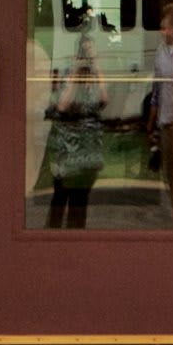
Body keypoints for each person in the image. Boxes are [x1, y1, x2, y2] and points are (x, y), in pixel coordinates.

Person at [42, 36, 109, 227]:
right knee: (60, 197)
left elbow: (104, 100)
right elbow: (62, 106)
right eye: (84, 53)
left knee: (80, 202)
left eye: (90, 53)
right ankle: (51, 237)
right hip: (67, 151)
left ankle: (76, 236)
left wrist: (96, 65)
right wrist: (75, 73)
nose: (86, 58)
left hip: (89, 153)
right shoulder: (67, 75)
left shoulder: (95, 77)